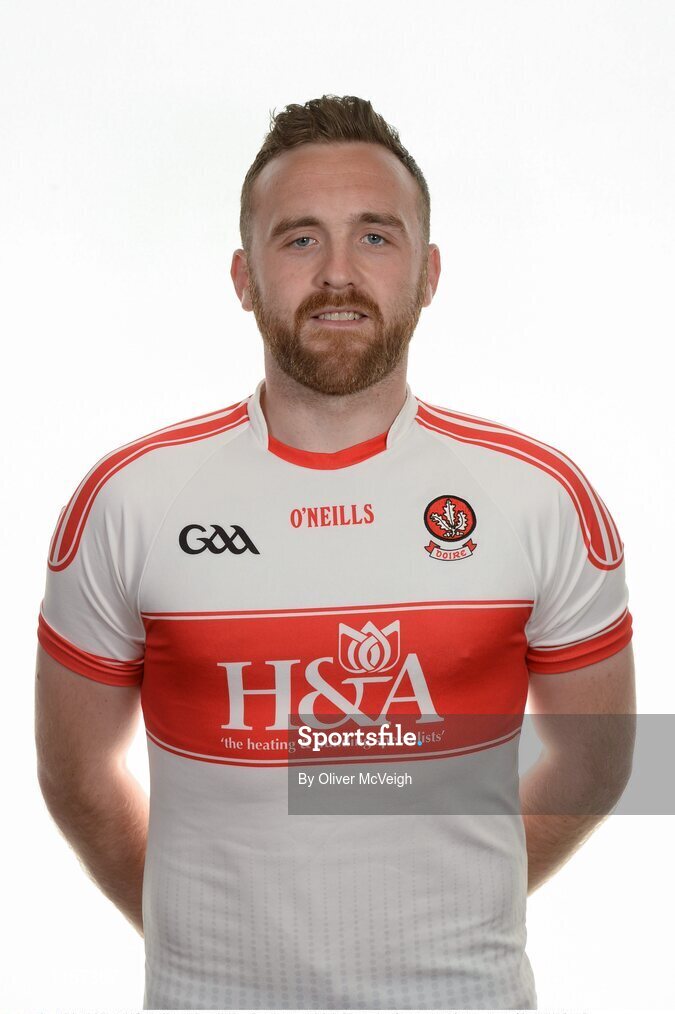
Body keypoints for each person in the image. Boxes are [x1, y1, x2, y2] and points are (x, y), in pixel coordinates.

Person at [35, 94, 635, 1011]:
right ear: (244, 276)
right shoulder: (129, 502)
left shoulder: (540, 499)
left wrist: (462, 909)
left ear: (429, 272)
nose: (339, 273)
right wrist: (200, 940)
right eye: (300, 239)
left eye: (376, 237)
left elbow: (598, 758)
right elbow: (75, 773)